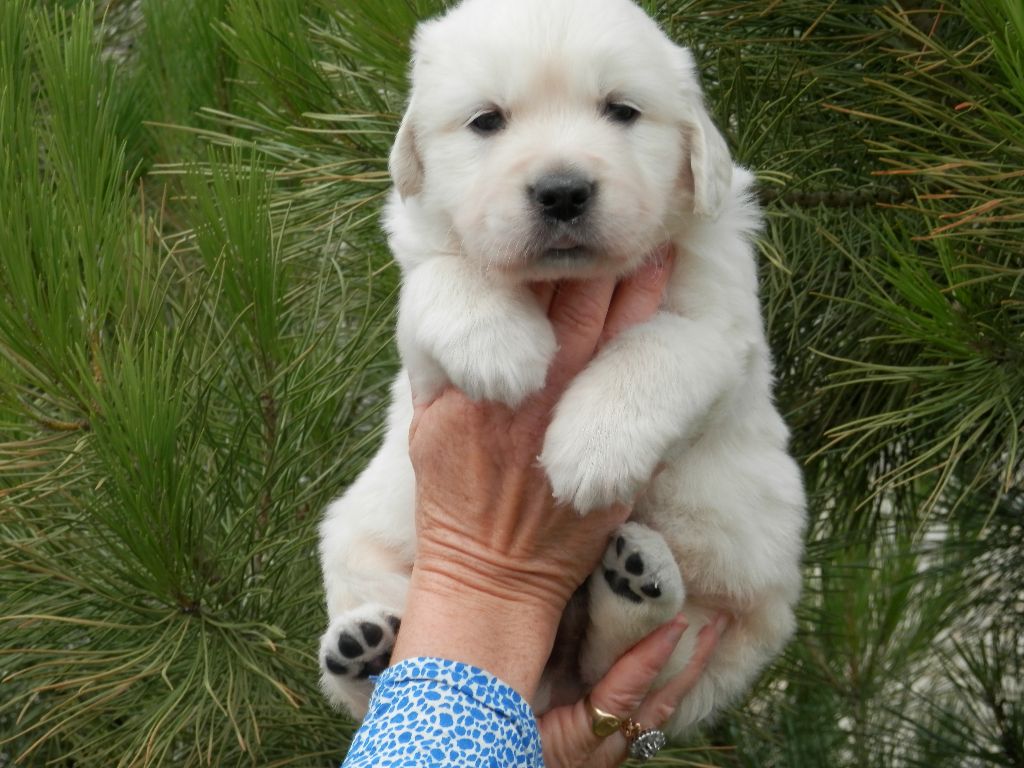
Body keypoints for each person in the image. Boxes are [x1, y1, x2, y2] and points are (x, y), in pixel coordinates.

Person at [342, 246, 726, 767]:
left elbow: (721, 348)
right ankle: (391, 672)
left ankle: (610, 632)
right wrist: (491, 573)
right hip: (530, 682)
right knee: (351, 553)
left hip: (591, 677)